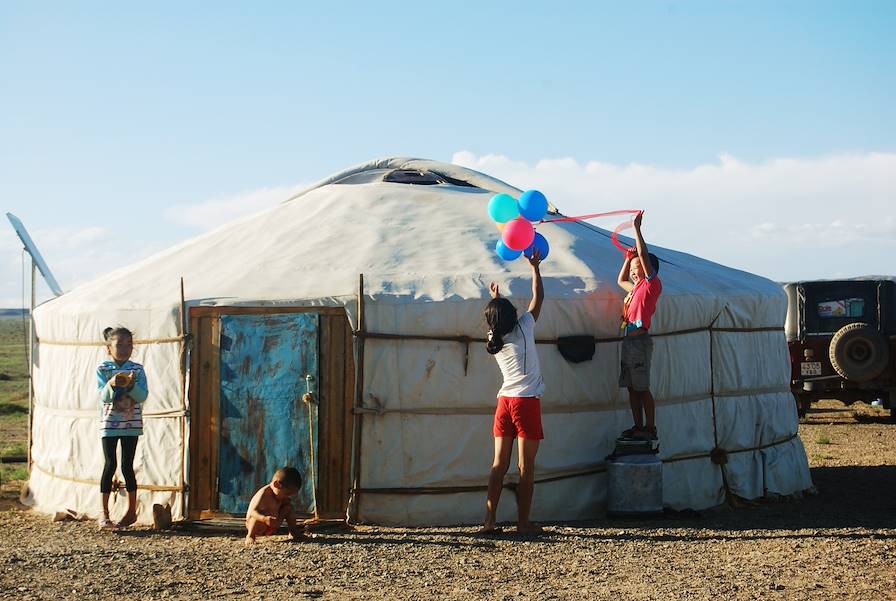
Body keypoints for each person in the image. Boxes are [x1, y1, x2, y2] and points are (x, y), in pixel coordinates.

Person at [479, 250, 545, 535]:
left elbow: (496, 321)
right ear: (512, 317)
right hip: (525, 403)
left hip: (504, 403)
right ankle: (522, 523)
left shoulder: (494, 339)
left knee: (498, 464)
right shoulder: (525, 328)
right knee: (525, 467)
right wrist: (535, 268)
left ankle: (489, 522)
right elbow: (537, 299)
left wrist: (495, 299)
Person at [616, 211, 663, 441]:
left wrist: (636, 229)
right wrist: (627, 258)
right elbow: (620, 281)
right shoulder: (635, 289)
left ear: (649, 269)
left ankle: (650, 427)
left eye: (638, 267)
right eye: (633, 269)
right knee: (632, 388)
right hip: (629, 340)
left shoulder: (651, 285)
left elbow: (643, 254)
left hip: (640, 340)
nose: (634, 271)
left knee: (642, 387)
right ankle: (638, 426)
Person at [97, 326, 148, 529]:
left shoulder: (137, 369)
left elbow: (143, 396)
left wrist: (130, 384)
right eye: (119, 344)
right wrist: (112, 383)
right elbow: (103, 397)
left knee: (127, 466)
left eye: (129, 344)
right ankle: (104, 513)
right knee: (110, 464)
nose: (125, 348)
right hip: (109, 424)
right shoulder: (103, 369)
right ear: (109, 347)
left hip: (131, 424)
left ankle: (131, 511)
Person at [245, 467, 305, 546]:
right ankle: (250, 536)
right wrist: (264, 518)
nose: (287, 497)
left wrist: (285, 503)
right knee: (257, 515)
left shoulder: (279, 495)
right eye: (287, 494)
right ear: (276, 484)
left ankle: (293, 532)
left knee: (289, 508)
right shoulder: (264, 493)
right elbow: (253, 512)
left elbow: (284, 508)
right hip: (258, 526)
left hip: (273, 524)